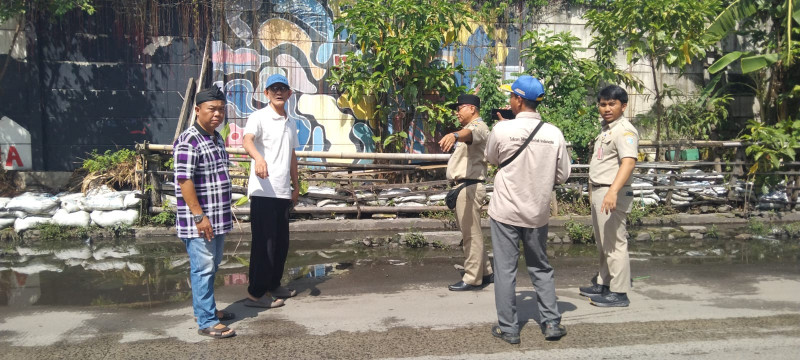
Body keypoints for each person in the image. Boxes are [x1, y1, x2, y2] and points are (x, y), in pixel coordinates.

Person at [484, 75, 571, 344]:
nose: (509, 99)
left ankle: (509, 329)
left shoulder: (501, 130)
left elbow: (491, 158)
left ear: (519, 100)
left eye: (511, 95)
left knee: (505, 271)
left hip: (506, 212)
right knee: (541, 267)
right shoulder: (554, 133)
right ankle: (551, 323)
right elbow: (563, 175)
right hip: (537, 212)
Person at [173, 85, 236, 339]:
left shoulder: (215, 136)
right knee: (203, 268)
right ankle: (206, 320)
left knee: (212, 265)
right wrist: (200, 216)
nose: (217, 114)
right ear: (198, 110)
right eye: (212, 109)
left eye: (221, 109)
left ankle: (207, 309)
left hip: (217, 218)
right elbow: (184, 180)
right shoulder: (189, 140)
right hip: (199, 221)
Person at [242, 73, 300, 308]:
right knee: (263, 245)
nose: (278, 91)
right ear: (266, 93)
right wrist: (258, 159)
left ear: (289, 93)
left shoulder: (291, 121)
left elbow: (293, 155)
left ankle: (274, 284)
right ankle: (256, 293)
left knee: (280, 243)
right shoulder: (259, 116)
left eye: (282, 88)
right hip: (263, 190)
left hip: (282, 191)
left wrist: (297, 184)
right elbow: (247, 140)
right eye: (273, 88)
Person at [579, 85, 639, 307]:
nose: (606, 108)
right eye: (603, 104)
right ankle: (604, 283)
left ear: (623, 106)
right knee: (603, 241)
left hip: (612, 190)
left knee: (614, 243)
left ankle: (619, 293)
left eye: (612, 104)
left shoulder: (625, 130)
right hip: (600, 189)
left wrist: (612, 191)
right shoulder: (607, 129)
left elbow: (629, 162)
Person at [439, 94, 494, 291]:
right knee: (473, 232)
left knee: (471, 234)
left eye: (460, 107)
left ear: (472, 109)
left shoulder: (478, 126)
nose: (457, 112)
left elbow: (470, 135)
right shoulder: (469, 128)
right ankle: (485, 271)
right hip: (464, 187)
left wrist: (454, 135)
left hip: (469, 187)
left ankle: (472, 278)